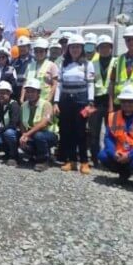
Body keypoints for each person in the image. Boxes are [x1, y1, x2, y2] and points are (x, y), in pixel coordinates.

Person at [99, 85, 133, 188]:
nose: (127, 104)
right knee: (103, 156)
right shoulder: (113, 116)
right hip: (119, 152)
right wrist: (113, 152)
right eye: (124, 101)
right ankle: (124, 173)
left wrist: (130, 155)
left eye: (131, 101)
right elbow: (108, 137)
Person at [55, 34, 95, 174]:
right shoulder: (63, 64)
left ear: (82, 48)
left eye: (78, 47)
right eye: (72, 47)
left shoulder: (87, 64)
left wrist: (90, 102)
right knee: (67, 131)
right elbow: (59, 85)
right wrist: (56, 102)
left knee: (81, 132)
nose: (75, 49)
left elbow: (91, 85)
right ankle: (71, 161)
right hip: (66, 102)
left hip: (81, 102)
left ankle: (84, 162)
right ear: (68, 49)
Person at [18, 79, 58, 172]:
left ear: (38, 92)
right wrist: (23, 135)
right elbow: (21, 123)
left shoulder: (46, 104)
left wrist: (27, 135)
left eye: (33, 91)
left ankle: (43, 161)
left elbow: (44, 123)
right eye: (28, 91)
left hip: (49, 134)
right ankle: (35, 156)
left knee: (38, 136)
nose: (30, 94)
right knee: (18, 138)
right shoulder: (24, 105)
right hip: (31, 134)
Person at [89, 34, 114, 165]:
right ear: (98, 49)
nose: (104, 49)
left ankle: (109, 157)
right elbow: (90, 83)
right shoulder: (92, 64)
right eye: (102, 47)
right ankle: (94, 157)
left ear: (111, 48)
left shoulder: (116, 62)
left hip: (111, 101)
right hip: (96, 100)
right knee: (94, 131)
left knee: (111, 131)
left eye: (107, 47)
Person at [23, 37, 58, 104]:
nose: (38, 53)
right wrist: (22, 99)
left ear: (46, 52)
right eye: (36, 51)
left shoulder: (52, 65)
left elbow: (55, 85)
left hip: (45, 101)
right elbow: (25, 84)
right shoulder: (30, 66)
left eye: (41, 51)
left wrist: (49, 100)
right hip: (30, 101)